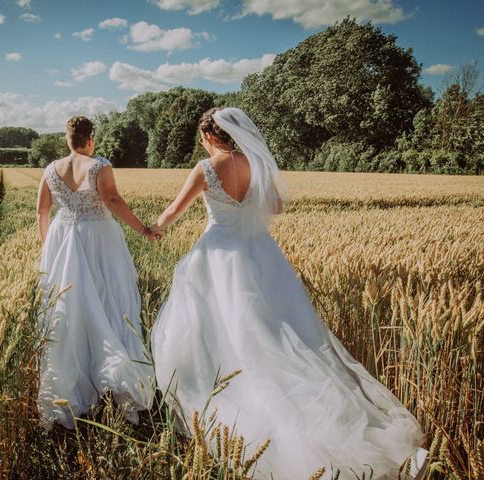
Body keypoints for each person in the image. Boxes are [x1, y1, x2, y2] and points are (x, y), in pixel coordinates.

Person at [150, 107, 428, 479]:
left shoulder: (205, 169)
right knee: (276, 333)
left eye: (203, 138)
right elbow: (276, 206)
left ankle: (222, 397)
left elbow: (174, 210)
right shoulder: (255, 162)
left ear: (210, 137)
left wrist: (155, 228)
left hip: (218, 255)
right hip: (261, 254)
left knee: (214, 330)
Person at [36, 115, 156, 430]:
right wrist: (142, 228)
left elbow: (42, 210)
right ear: (91, 139)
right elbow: (112, 199)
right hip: (98, 239)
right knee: (111, 303)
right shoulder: (99, 165)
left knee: (69, 308)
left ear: (68, 139)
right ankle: (115, 381)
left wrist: (51, 247)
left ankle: (71, 385)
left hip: (63, 238)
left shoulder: (51, 169)